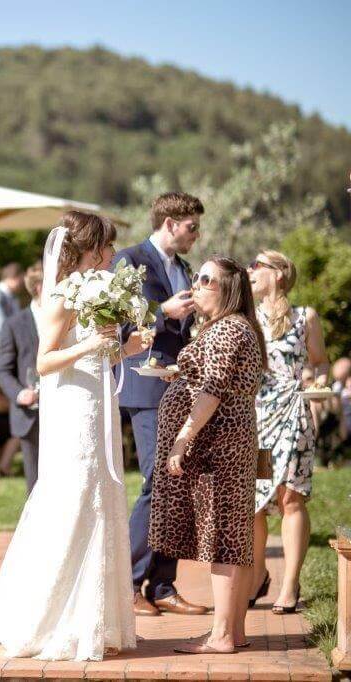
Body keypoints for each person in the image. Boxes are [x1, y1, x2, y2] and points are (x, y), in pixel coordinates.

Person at [0, 210, 150, 661]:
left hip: (98, 400)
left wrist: (123, 348)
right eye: (106, 247)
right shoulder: (62, 294)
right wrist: (94, 343)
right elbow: (45, 363)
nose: (112, 255)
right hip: (72, 406)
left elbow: (97, 356)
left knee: (103, 493)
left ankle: (94, 618)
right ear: (88, 250)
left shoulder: (97, 290)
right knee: (74, 495)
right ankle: (52, 618)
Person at [150, 256, 267, 654]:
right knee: (233, 539)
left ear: (228, 288)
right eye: (196, 277)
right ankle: (232, 632)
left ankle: (220, 636)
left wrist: (183, 438)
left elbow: (213, 389)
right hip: (230, 442)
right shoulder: (232, 328)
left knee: (223, 540)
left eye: (205, 279)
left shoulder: (227, 329)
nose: (195, 284)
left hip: (219, 447)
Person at [113, 191, 208, 618]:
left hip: (181, 384)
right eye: (192, 227)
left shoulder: (185, 268)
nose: (196, 234)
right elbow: (115, 319)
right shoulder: (130, 260)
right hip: (144, 385)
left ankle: (163, 584)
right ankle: (129, 583)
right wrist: (162, 312)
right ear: (170, 223)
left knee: (180, 479)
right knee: (158, 479)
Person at [247, 250, 328, 614]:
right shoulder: (246, 317)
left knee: (291, 498)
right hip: (258, 421)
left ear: (278, 274)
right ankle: (258, 572)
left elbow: (319, 362)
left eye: (256, 265)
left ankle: (290, 583)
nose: (249, 271)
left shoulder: (305, 317)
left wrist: (319, 384)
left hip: (294, 417)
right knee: (257, 503)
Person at [0, 262, 43, 492]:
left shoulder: (70, 320)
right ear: (40, 287)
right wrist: (18, 392)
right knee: (34, 483)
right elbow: (3, 370)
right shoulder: (13, 324)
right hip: (30, 413)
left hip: (65, 409)